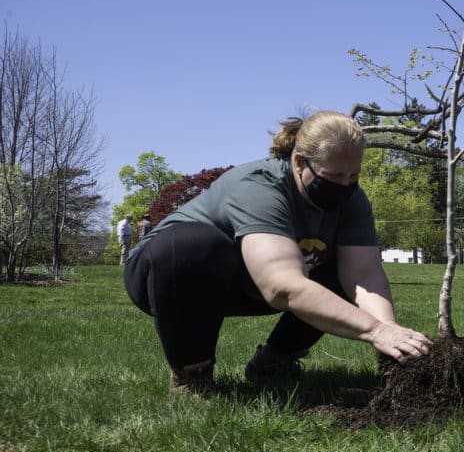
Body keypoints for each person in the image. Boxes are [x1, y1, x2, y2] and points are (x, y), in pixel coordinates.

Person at [123, 111, 431, 395]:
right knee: (193, 245)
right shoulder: (259, 186)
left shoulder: (352, 199)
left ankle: (274, 362)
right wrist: (373, 330)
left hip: (248, 283)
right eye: (334, 176)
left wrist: (391, 335)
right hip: (170, 277)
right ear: (299, 162)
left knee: (336, 265)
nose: (345, 185)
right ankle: (192, 374)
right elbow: (280, 287)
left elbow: (364, 275)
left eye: (353, 176)